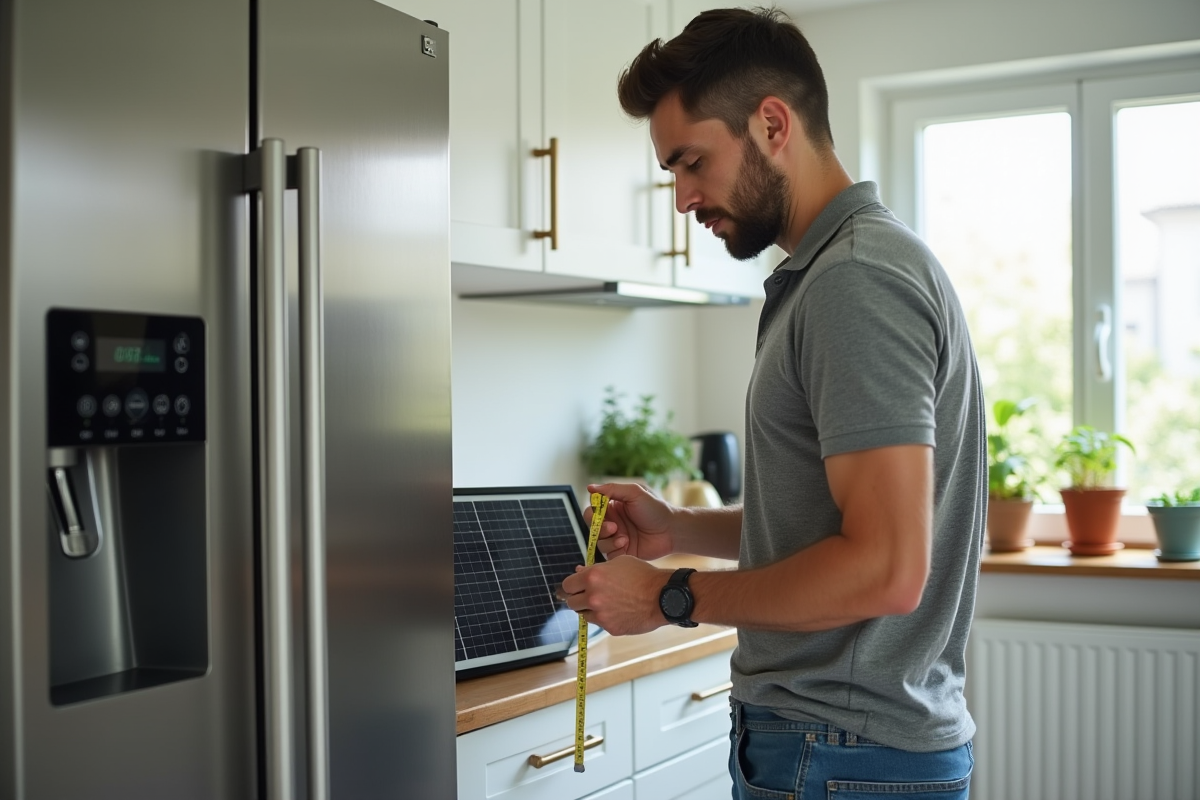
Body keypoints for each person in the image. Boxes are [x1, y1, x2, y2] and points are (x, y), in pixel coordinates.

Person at [558, 7, 986, 799]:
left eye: (692, 162)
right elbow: (831, 527)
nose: (682, 199)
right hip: (847, 749)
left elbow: (886, 570)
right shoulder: (843, 269)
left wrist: (670, 596)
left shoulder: (854, 282)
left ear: (772, 124)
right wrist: (679, 529)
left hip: (841, 752)